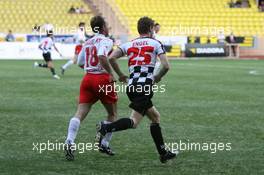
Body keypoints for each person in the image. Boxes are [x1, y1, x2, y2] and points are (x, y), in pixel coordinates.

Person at [96, 16, 177, 163]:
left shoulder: (130, 44)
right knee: (133, 122)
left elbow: (112, 58)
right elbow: (166, 66)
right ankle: (105, 127)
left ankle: (163, 153)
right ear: (151, 29)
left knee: (155, 117)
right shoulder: (156, 43)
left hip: (131, 86)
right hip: (144, 87)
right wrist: (157, 77)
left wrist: (120, 75)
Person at [64, 16, 117, 161]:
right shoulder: (107, 40)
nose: (108, 28)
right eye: (106, 25)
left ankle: (69, 140)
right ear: (102, 27)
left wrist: (90, 68)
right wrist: (111, 73)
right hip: (102, 79)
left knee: (80, 113)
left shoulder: (87, 42)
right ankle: (104, 143)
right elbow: (101, 55)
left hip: (87, 79)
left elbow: (80, 62)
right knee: (112, 114)